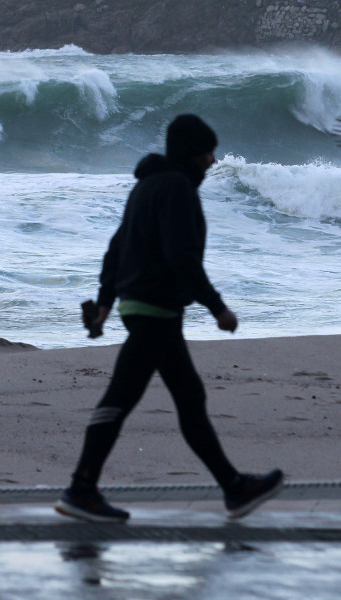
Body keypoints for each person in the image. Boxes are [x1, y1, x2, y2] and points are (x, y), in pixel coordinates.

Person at [55, 114, 283, 523]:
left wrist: (104, 304)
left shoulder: (146, 186)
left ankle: (234, 488)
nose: (213, 161)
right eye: (208, 152)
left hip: (142, 307)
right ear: (193, 154)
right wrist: (217, 308)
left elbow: (115, 247)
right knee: (122, 399)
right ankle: (81, 489)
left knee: (187, 399)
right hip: (154, 309)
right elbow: (180, 256)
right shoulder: (177, 188)